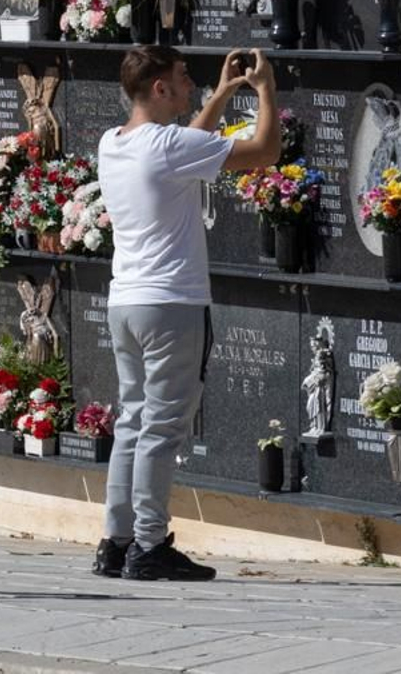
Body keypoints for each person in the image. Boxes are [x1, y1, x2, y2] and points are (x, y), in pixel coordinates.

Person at [92, 46, 280, 582]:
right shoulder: (168, 146)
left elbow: (188, 149)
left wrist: (222, 94)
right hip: (171, 305)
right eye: (182, 77)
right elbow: (265, 151)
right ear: (160, 88)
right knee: (162, 428)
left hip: (126, 302)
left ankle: (116, 541)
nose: (190, 84)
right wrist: (265, 88)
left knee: (132, 422)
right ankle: (150, 545)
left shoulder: (113, 142)